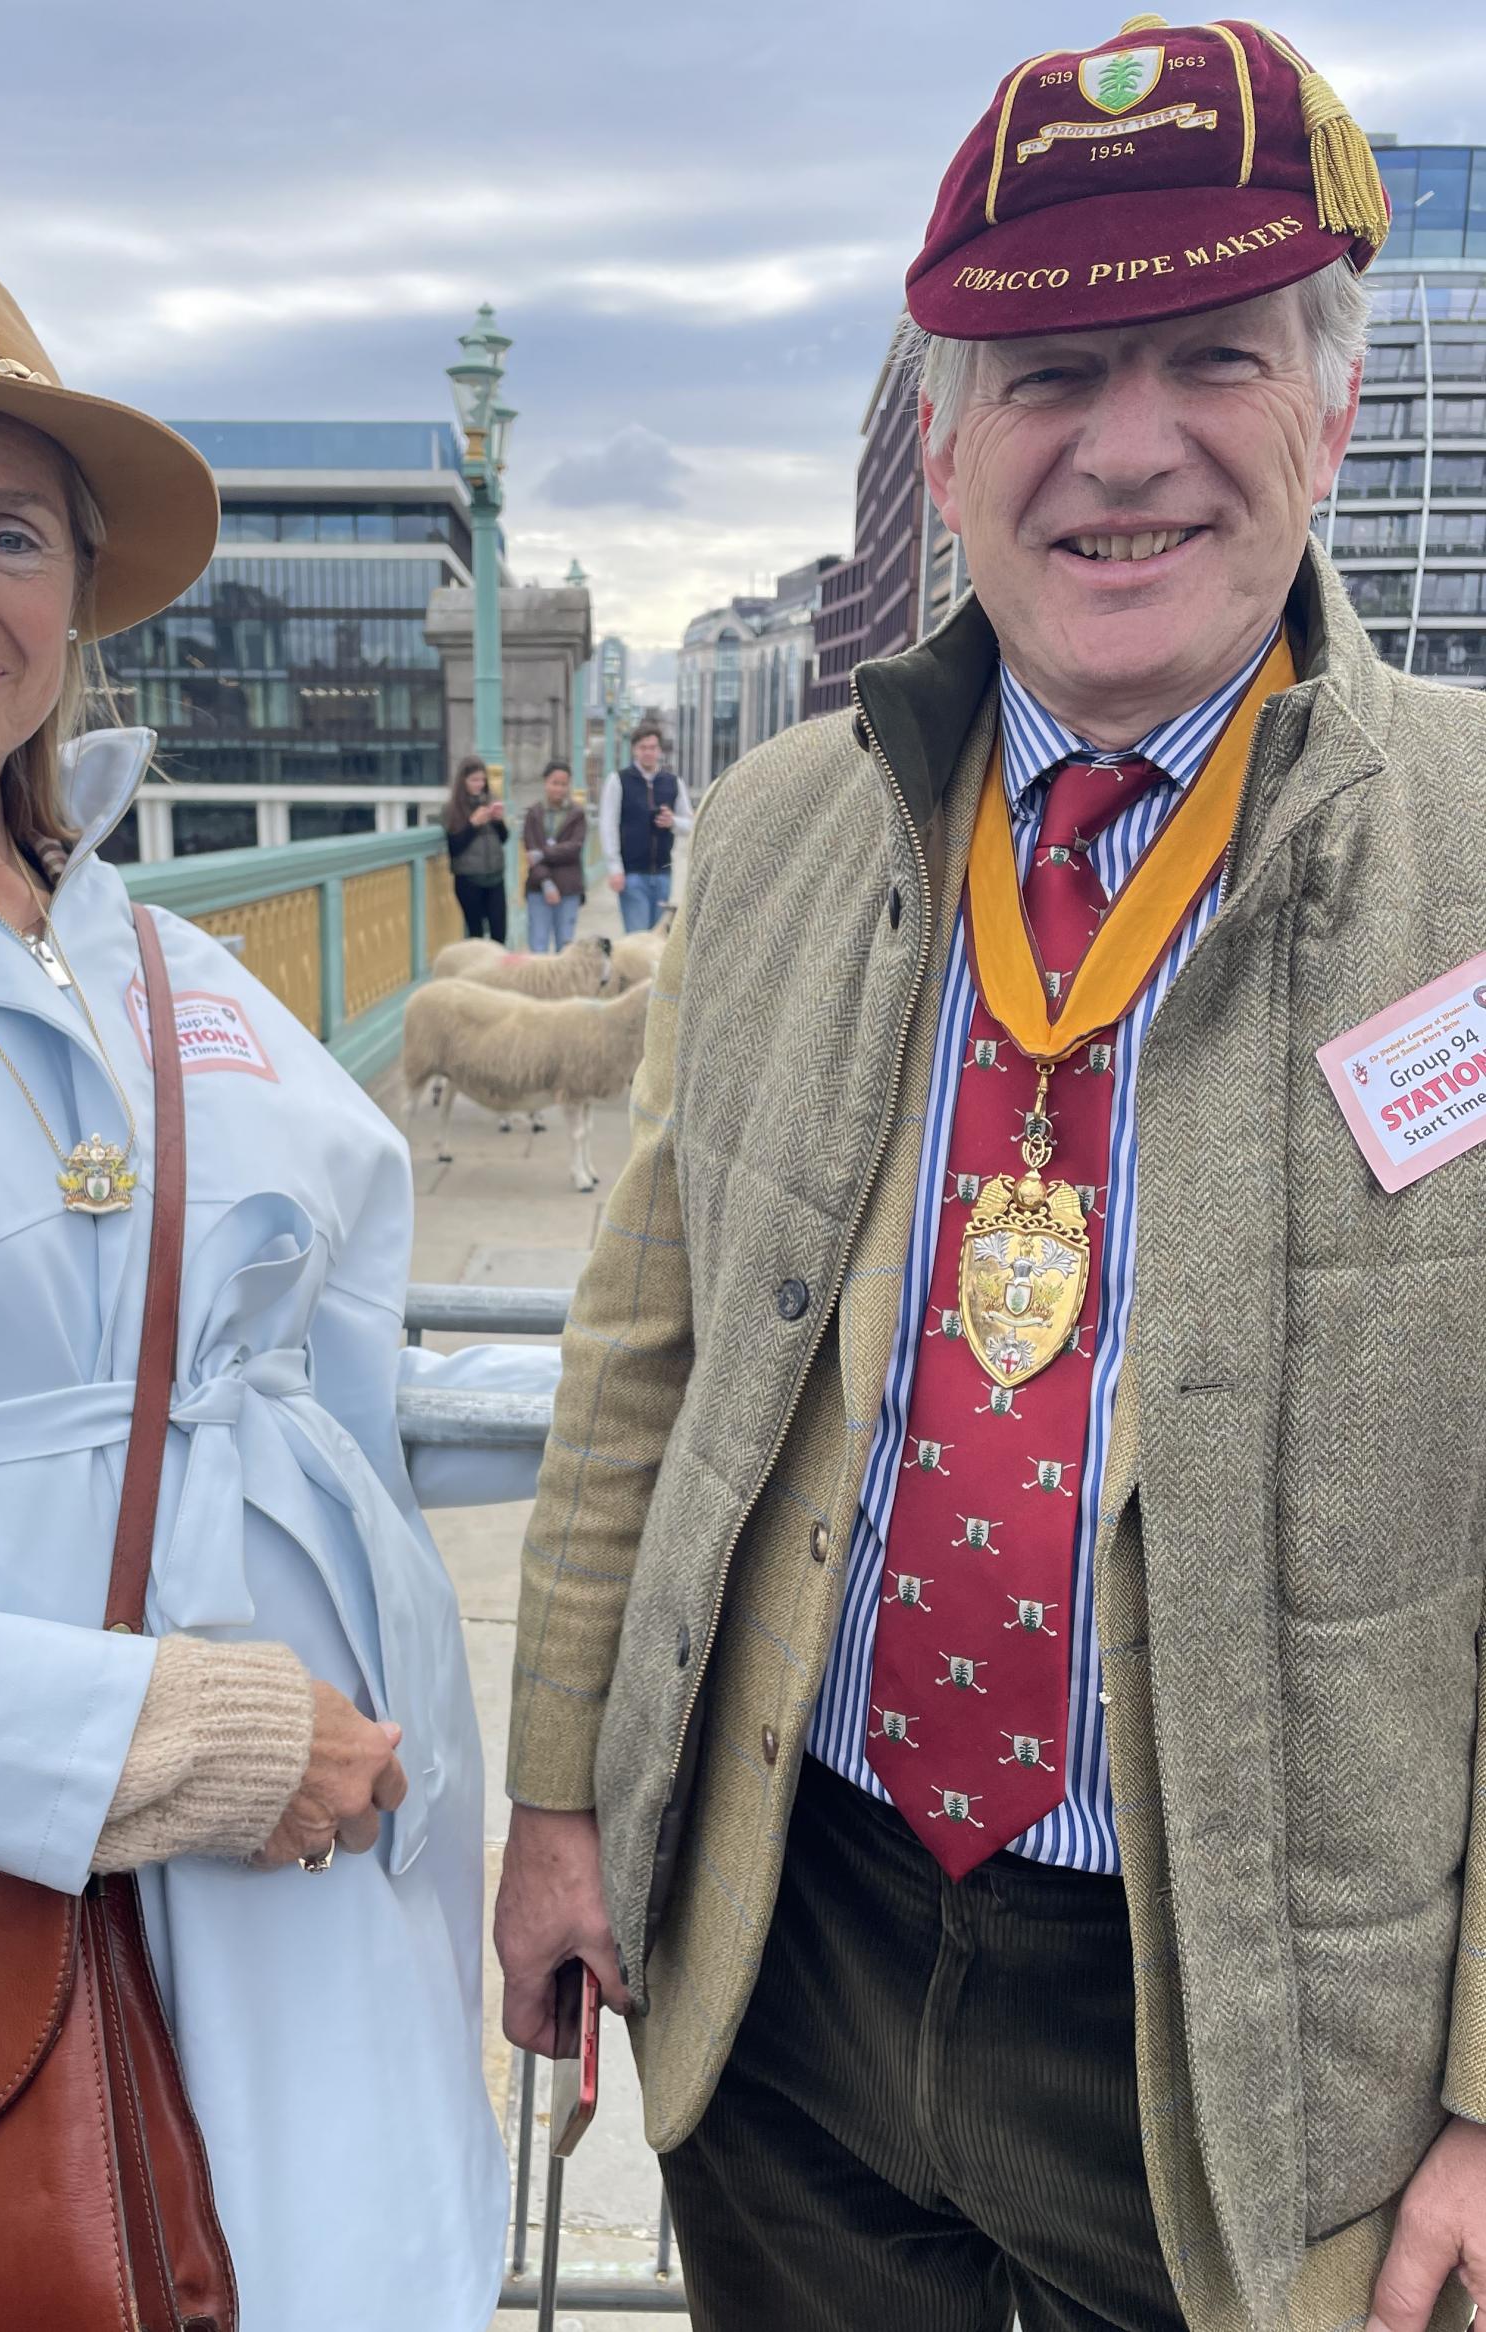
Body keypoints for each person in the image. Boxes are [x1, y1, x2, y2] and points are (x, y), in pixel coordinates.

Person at [495, 20, 1486, 2332]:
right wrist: (560, 1795)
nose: (1124, 445)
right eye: (1045, 371)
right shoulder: (773, 840)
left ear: (1328, 405)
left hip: (1257, 2035)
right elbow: (642, 1347)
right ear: (944, 446)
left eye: (1208, 355)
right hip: (796, 1947)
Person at [0, 227, 558, 2332]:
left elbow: (316, 1371)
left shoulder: (162, 954)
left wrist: (605, 1417)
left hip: (337, 1900)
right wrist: (139, 1738)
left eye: (12, 530)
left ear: (78, 592)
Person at [600, 720, 690, 932]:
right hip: (632, 874)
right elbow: (608, 825)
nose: (648, 753)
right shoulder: (618, 780)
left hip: (663, 874)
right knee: (637, 940)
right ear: (634, 750)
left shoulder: (673, 782)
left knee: (658, 942)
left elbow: (690, 825)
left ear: (659, 750)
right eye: (643, 748)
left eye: (652, 747)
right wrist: (615, 869)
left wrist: (673, 822)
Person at [523, 758, 588, 951]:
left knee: (565, 946)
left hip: (569, 887)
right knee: (538, 944)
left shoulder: (577, 814)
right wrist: (546, 883)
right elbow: (530, 850)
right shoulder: (534, 813)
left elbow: (574, 848)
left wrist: (542, 854)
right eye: (554, 783)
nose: (559, 789)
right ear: (545, 782)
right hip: (538, 887)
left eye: (564, 784)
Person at [445, 752, 509, 941]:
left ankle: (498, 970)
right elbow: (454, 848)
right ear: (463, 781)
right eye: (474, 780)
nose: (479, 784)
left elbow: (504, 838)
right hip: (469, 879)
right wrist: (472, 825)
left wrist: (498, 821)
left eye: (482, 780)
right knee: (476, 935)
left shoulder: (490, 800)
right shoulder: (452, 809)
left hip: (495, 877)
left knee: (499, 934)